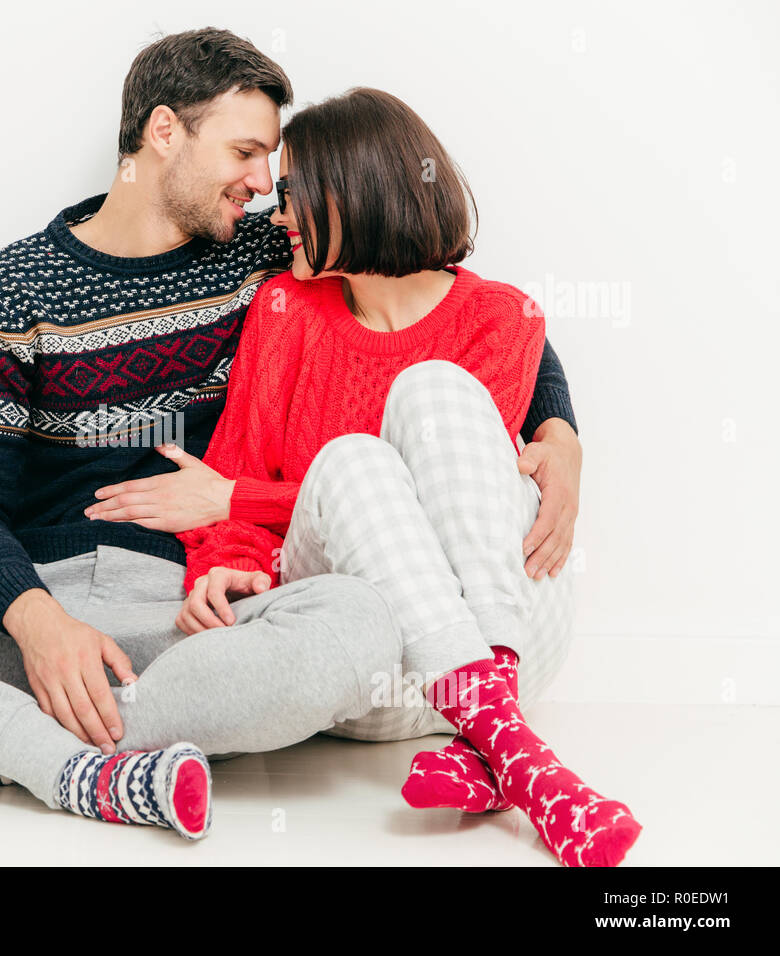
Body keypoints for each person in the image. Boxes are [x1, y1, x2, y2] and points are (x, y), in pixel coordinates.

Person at [0, 30, 583, 843]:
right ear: (164, 132)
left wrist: (559, 431)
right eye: (244, 154)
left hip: (191, 625)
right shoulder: (7, 289)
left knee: (356, 626)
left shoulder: (268, 260)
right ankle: (75, 759)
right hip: (21, 618)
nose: (264, 187)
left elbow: (445, 302)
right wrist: (41, 625)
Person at [147, 87, 639, 866]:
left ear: (356, 189)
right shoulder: (282, 310)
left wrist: (239, 498)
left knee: (432, 392)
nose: (279, 216)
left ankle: (490, 728)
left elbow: (437, 495)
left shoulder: (500, 320)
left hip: (508, 629)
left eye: (297, 193)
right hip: (374, 662)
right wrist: (224, 564)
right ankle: (522, 761)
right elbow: (233, 486)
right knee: (353, 459)